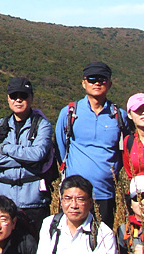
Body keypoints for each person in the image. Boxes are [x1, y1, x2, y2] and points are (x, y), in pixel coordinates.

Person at [54, 62, 127, 227]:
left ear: (109, 83)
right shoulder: (70, 113)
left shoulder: (119, 116)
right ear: (84, 83)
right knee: (70, 239)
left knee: (100, 242)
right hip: (74, 194)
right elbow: (60, 147)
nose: (97, 83)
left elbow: (125, 150)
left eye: (102, 79)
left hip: (105, 193)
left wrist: (113, 171)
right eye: (92, 79)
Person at [0, 77, 56, 231]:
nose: (18, 100)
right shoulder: (0, 125)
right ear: (8, 99)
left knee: (34, 248)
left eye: (23, 96)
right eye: (13, 96)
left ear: (31, 98)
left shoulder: (42, 125)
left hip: (34, 202)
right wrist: (26, 159)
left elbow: (38, 154)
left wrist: (6, 148)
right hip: (4, 202)